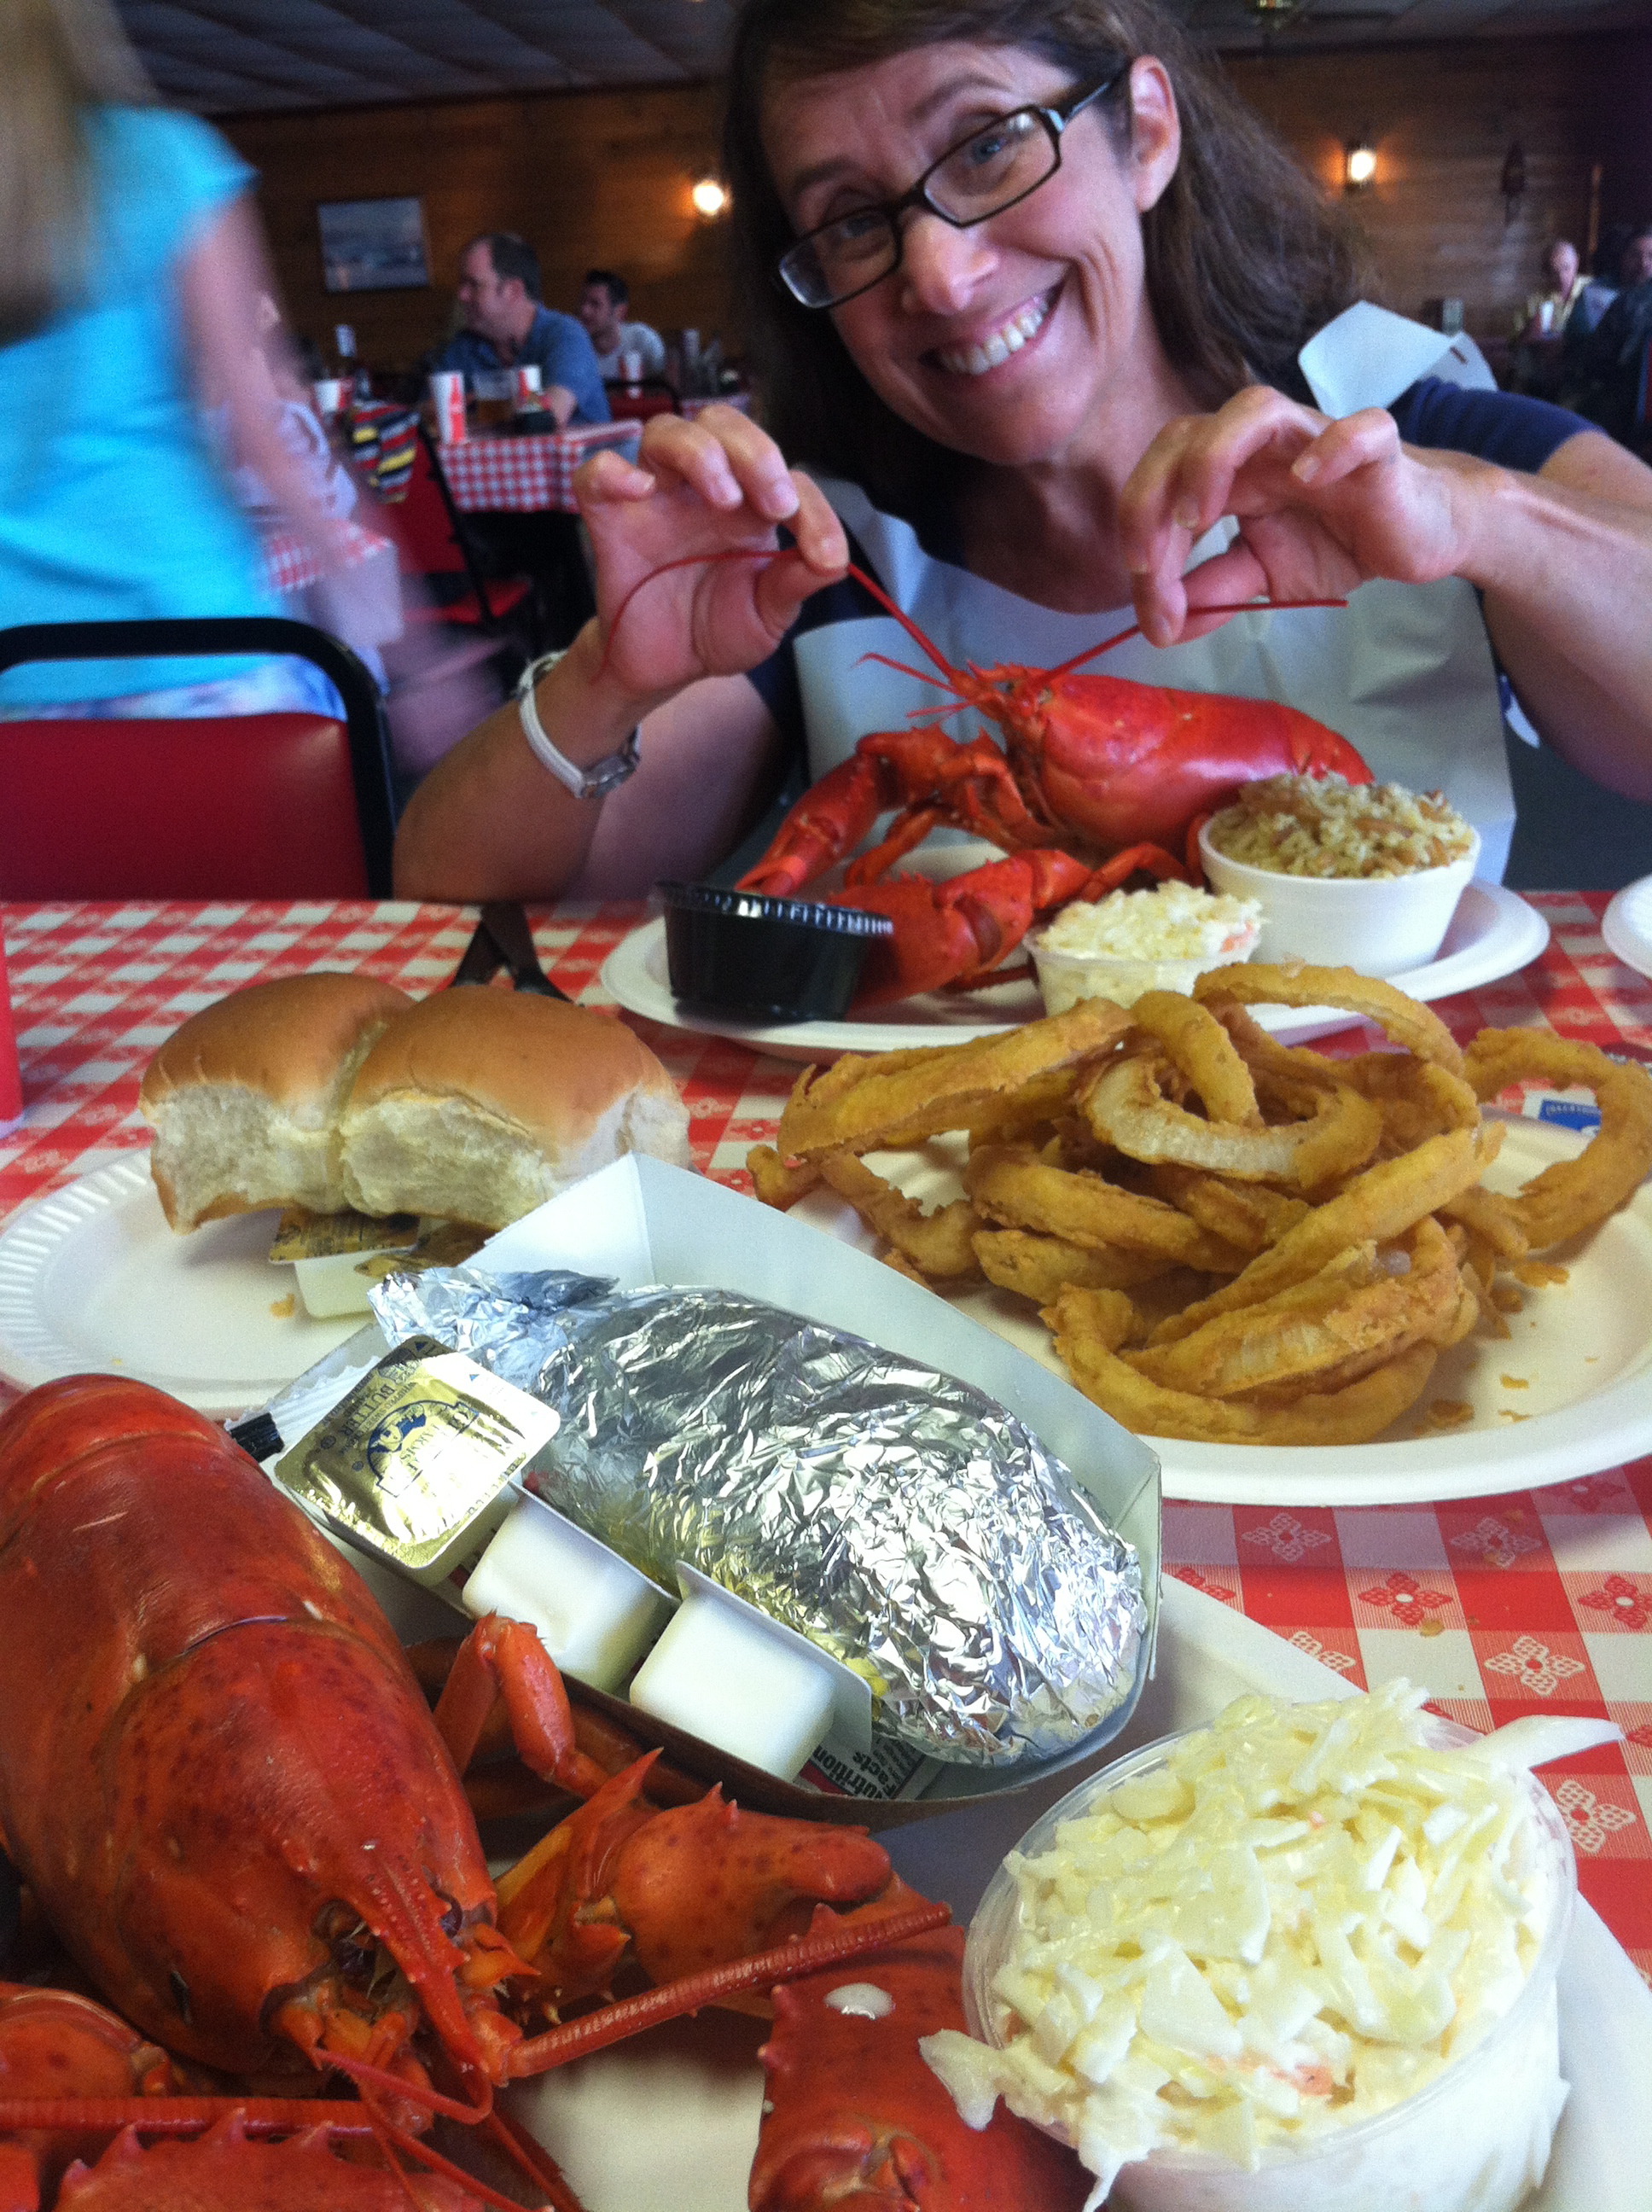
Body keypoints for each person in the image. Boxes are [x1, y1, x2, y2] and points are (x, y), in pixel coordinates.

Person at [394, 0, 1652, 910]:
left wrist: (1491, 522)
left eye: (988, 144)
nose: (940, 276)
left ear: (1144, 133)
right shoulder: (826, 558)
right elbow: (449, 894)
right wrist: (609, 676)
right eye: (852, 221)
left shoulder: (1408, 427)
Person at [0, 0, 352, 719]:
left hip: (18, 673)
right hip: (195, 642)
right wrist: (412, 655)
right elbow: (265, 436)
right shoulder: (165, 160)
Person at [429, 235, 608, 428]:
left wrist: (489, 403)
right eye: (462, 284)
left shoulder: (565, 334)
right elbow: (428, 412)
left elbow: (552, 411)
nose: (462, 295)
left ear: (513, 291)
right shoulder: (465, 346)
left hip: (581, 449)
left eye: (473, 285)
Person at [1568, 224, 1652, 451]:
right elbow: (1577, 339)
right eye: (1636, 255)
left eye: (1651, 256)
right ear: (1623, 257)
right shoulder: (1595, 290)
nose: (1644, 263)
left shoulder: (1638, 303)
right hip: (1593, 385)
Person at [579, 269, 669, 383]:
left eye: (595, 304)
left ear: (620, 312)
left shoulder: (641, 341)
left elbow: (668, 387)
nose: (584, 311)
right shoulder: (573, 348)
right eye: (582, 302)